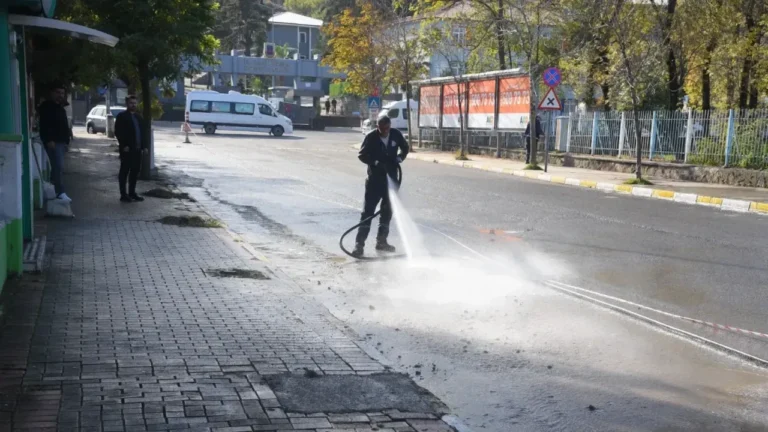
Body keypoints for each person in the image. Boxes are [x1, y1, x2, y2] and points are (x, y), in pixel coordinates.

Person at [352, 116, 409, 258]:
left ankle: (381, 241)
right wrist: (376, 162)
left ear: (390, 126)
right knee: (368, 213)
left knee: (387, 212)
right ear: (378, 127)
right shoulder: (371, 137)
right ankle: (359, 245)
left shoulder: (396, 134)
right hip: (374, 182)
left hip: (391, 179)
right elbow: (362, 155)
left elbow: (405, 148)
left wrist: (400, 158)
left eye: (386, 128)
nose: (384, 131)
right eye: (381, 129)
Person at [39, 84, 73, 202]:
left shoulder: (60, 108)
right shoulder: (47, 107)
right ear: (52, 93)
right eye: (58, 92)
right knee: (58, 166)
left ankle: (55, 191)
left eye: (62, 93)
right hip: (53, 142)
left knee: (58, 167)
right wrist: (48, 140)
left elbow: (64, 126)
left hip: (61, 142)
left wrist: (67, 140)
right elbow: (44, 125)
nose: (60, 95)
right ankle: (60, 192)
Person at [114, 95, 148, 202]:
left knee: (135, 171)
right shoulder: (122, 116)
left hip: (137, 149)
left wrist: (145, 146)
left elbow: (143, 133)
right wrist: (123, 145)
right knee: (124, 171)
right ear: (127, 104)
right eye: (131, 103)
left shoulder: (139, 117)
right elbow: (118, 132)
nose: (133, 105)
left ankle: (132, 193)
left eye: (134, 103)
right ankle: (123, 194)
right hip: (127, 149)